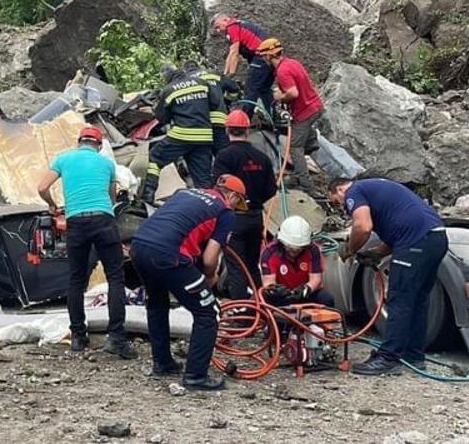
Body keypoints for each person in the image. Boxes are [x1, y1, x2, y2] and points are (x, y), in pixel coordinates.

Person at [130, 175, 247, 390]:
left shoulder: (185, 193)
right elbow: (210, 258)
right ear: (232, 196)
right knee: (207, 312)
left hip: (139, 246)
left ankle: (163, 363)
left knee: (157, 304)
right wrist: (209, 277)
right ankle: (196, 376)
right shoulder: (225, 211)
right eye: (238, 202)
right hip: (168, 253)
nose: (237, 208)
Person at [329, 177, 448, 376]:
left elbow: (362, 227)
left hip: (416, 240)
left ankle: (388, 358)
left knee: (399, 299)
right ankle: (414, 356)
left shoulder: (354, 191)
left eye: (335, 201)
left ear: (340, 189)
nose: (341, 206)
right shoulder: (380, 190)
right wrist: (376, 253)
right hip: (436, 237)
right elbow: (399, 233)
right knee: (417, 300)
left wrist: (349, 249)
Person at [37, 126, 138, 359]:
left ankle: (78, 337)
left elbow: (42, 187)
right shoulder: (106, 164)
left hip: (75, 223)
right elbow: (112, 198)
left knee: (76, 279)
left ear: (78, 142)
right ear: (99, 145)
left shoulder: (63, 159)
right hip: (103, 220)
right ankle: (116, 338)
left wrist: (52, 205)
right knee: (115, 277)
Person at [211, 110, 277, 299]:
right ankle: (262, 306)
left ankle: (243, 315)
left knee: (236, 269)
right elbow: (271, 189)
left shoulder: (224, 156)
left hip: (234, 219)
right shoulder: (261, 157)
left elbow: (218, 187)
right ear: (247, 131)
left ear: (227, 130)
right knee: (252, 266)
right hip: (255, 218)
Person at [140, 66, 216, 205]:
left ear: (167, 76)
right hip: (204, 136)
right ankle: (209, 207)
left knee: (155, 157)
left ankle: (147, 196)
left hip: (182, 135)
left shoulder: (168, 90)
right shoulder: (202, 83)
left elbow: (162, 118)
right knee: (203, 178)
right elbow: (215, 104)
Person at [258, 38, 324, 195]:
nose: (263, 59)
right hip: (315, 106)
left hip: (304, 112)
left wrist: (279, 97)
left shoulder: (282, 71)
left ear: (269, 56)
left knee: (295, 147)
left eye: (263, 56)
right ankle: (308, 151)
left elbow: (293, 93)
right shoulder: (293, 63)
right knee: (304, 142)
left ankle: (306, 186)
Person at [259, 215, 335, 307]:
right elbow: (268, 283)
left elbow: (316, 279)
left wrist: (306, 289)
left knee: (326, 299)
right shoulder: (269, 253)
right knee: (262, 300)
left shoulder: (313, 250)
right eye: (291, 247)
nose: (294, 251)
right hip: (281, 296)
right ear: (282, 242)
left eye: (299, 248)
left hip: (305, 294)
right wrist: (276, 290)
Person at [211, 14, 274, 117]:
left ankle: (244, 119)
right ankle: (272, 117)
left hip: (261, 56)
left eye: (218, 27)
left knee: (250, 88)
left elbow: (235, 53)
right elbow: (231, 54)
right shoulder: (238, 26)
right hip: (269, 57)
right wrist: (224, 74)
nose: (218, 31)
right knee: (264, 89)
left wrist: (230, 74)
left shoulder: (232, 27)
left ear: (225, 20)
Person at [184, 62, 235, 153]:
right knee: (224, 154)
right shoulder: (213, 73)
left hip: (198, 125)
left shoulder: (184, 81)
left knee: (203, 159)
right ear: (199, 67)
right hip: (219, 122)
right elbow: (234, 88)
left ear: (185, 70)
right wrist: (227, 101)